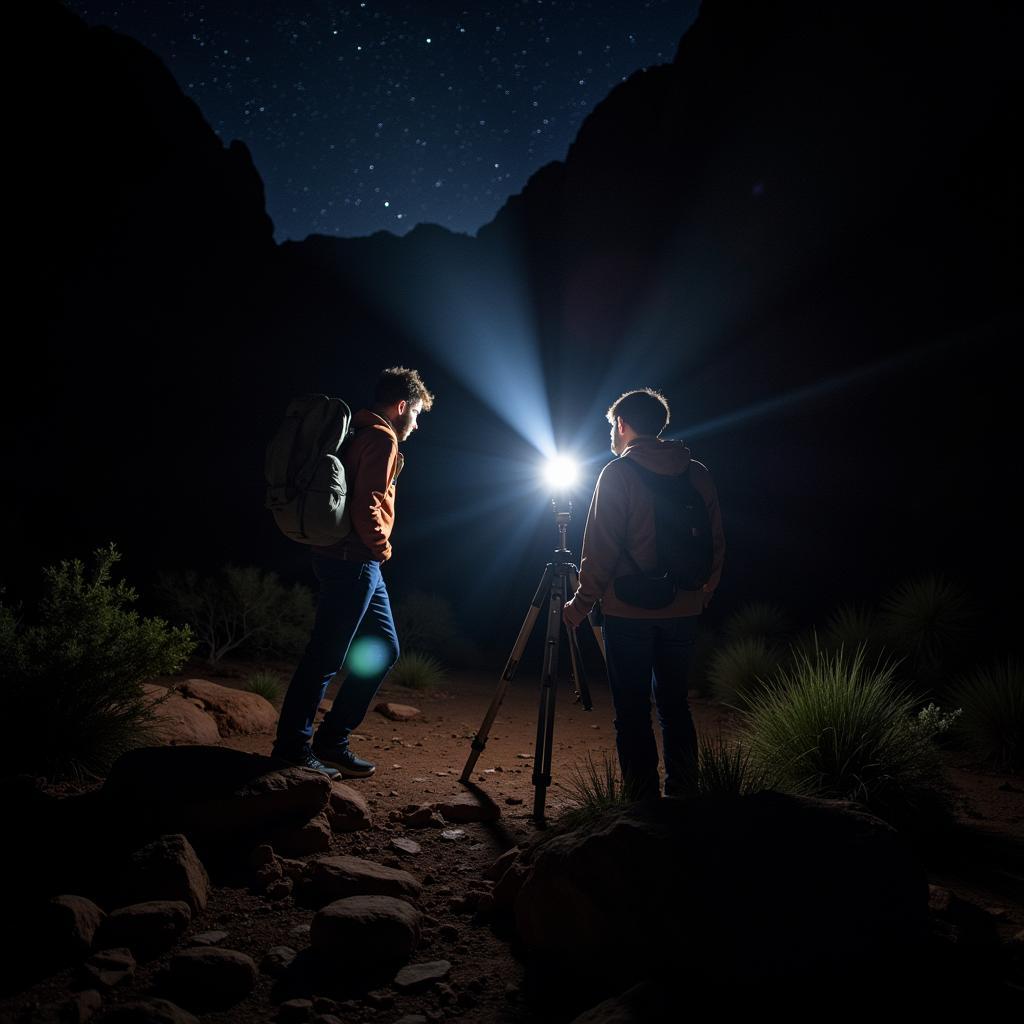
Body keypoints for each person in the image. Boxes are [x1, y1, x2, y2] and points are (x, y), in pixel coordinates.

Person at [562, 387, 725, 800]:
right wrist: (703, 593)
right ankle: (683, 797)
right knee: (675, 706)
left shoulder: (617, 473)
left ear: (621, 424)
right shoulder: (697, 472)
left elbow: (599, 549)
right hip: (684, 608)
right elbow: (717, 542)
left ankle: (642, 807)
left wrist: (580, 605)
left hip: (629, 610)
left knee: (632, 713)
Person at [272, 366, 434, 780]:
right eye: (415, 414)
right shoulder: (382, 439)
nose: (415, 424)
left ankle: (332, 741)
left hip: (350, 559)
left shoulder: (357, 431)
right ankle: (292, 747)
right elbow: (367, 505)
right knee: (325, 655)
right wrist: (383, 547)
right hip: (354, 560)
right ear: (402, 407)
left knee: (384, 647)